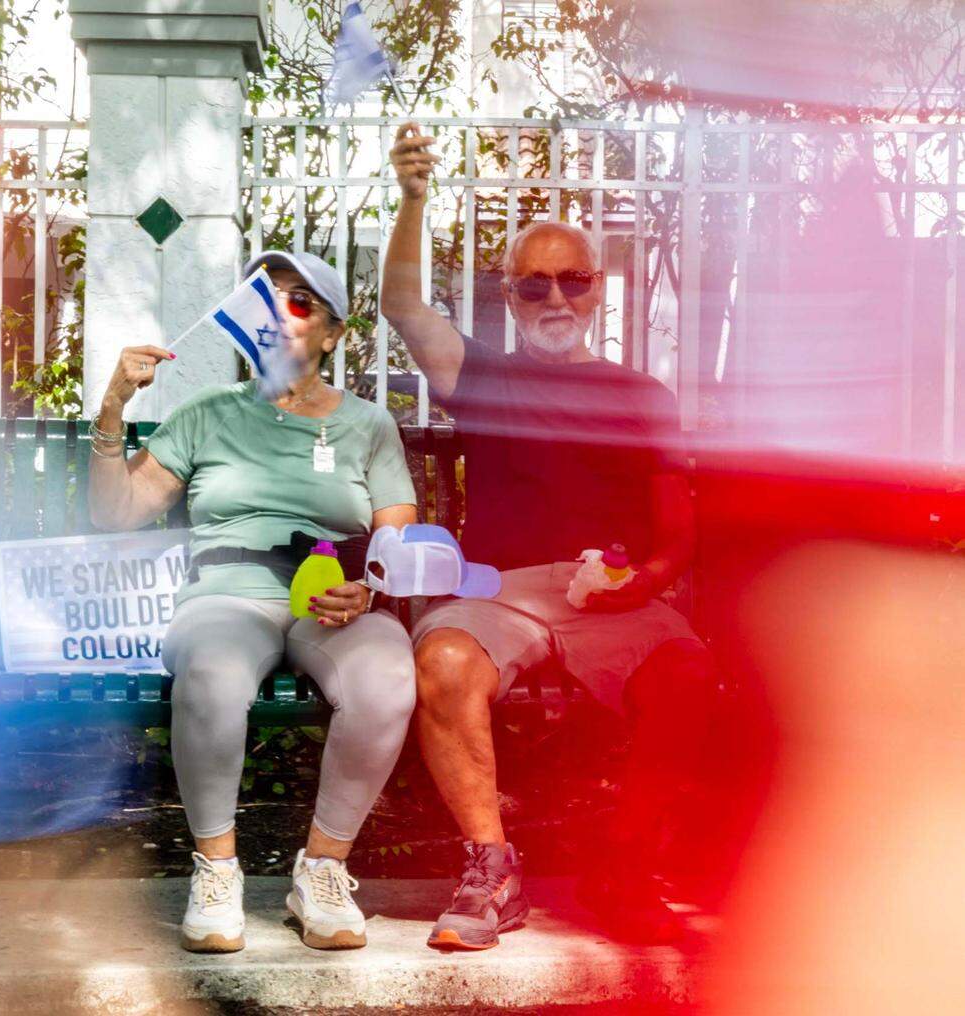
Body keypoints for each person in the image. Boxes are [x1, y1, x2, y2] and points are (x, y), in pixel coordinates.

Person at [381, 123, 718, 949]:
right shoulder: (483, 374)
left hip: (613, 594)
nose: (555, 300)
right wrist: (414, 200)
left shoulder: (642, 394)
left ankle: (625, 868)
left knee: (689, 674)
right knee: (443, 661)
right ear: (508, 295)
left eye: (571, 282)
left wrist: (644, 581)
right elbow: (400, 306)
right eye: (535, 287)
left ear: (597, 289)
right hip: (501, 591)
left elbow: (676, 532)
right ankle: (492, 871)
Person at [88, 250, 418, 953]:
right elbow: (117, 513)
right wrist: (114, 407)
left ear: (332, 334)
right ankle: (216, 871)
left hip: (331, 597)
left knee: (388, 676)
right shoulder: (208, 415)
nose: (276, 317)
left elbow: (395, 532)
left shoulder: (367, 425)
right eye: (264, 300)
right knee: (209, 670)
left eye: (299, 304)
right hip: (228, 593)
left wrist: (369, 588)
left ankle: (323, 872)